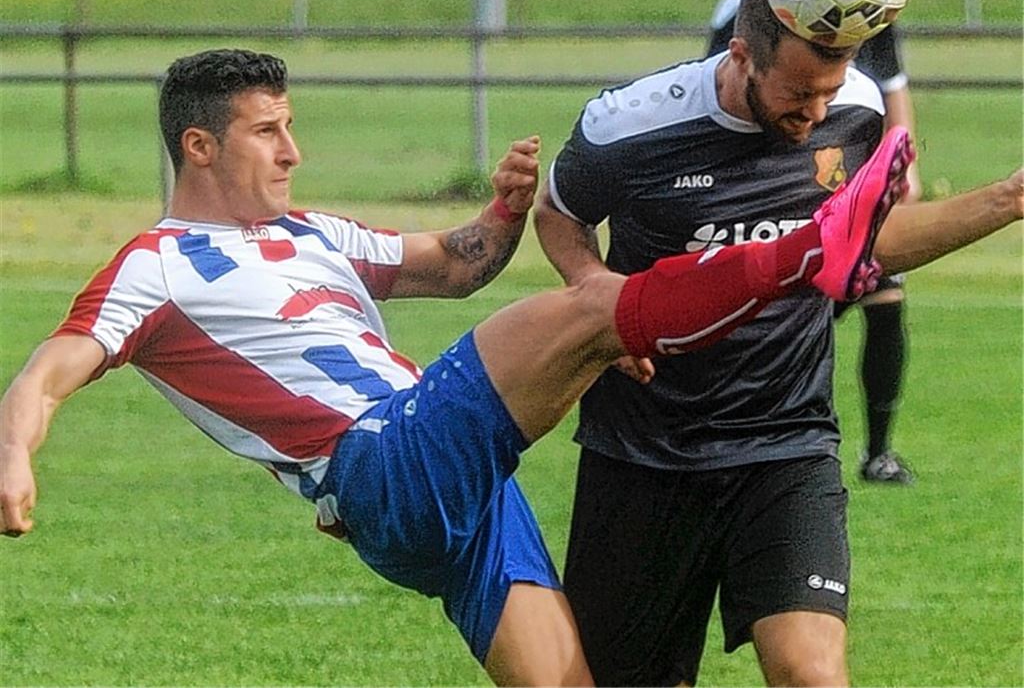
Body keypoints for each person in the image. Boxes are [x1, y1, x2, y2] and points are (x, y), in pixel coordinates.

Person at [0, 48, 922, 686]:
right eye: (267, 132)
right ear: (199, 146)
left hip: (451, 476)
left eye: (290, 127)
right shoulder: (156, 263)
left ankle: (785, 262)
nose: (293, 150)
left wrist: (506, 211)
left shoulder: (311, 233)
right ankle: (806, 255)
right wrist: (14, 452)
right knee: (594, 308)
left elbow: (454, 263)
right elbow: (50, 367)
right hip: (388, 461)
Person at [534, 0, 1022, 685]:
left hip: (786, 441)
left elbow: (864, 242)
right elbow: (558, 210)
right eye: (798, 95)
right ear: (741, 57)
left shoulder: (854, 113)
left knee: (810, 672)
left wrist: (1009, 197)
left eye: (829, 91)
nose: (815, 112)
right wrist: (595, 287)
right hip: (644, 451)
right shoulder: (630, 125)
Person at [707, 0, 922, 484]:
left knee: (886, 301)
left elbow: (893, 87)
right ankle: (747, 429)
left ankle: (879, 451)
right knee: (788, 315)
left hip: (852, 179)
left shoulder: (865, 3)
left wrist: (905, 167)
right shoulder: (741, 9)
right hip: (781, 181)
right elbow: (720, 93)